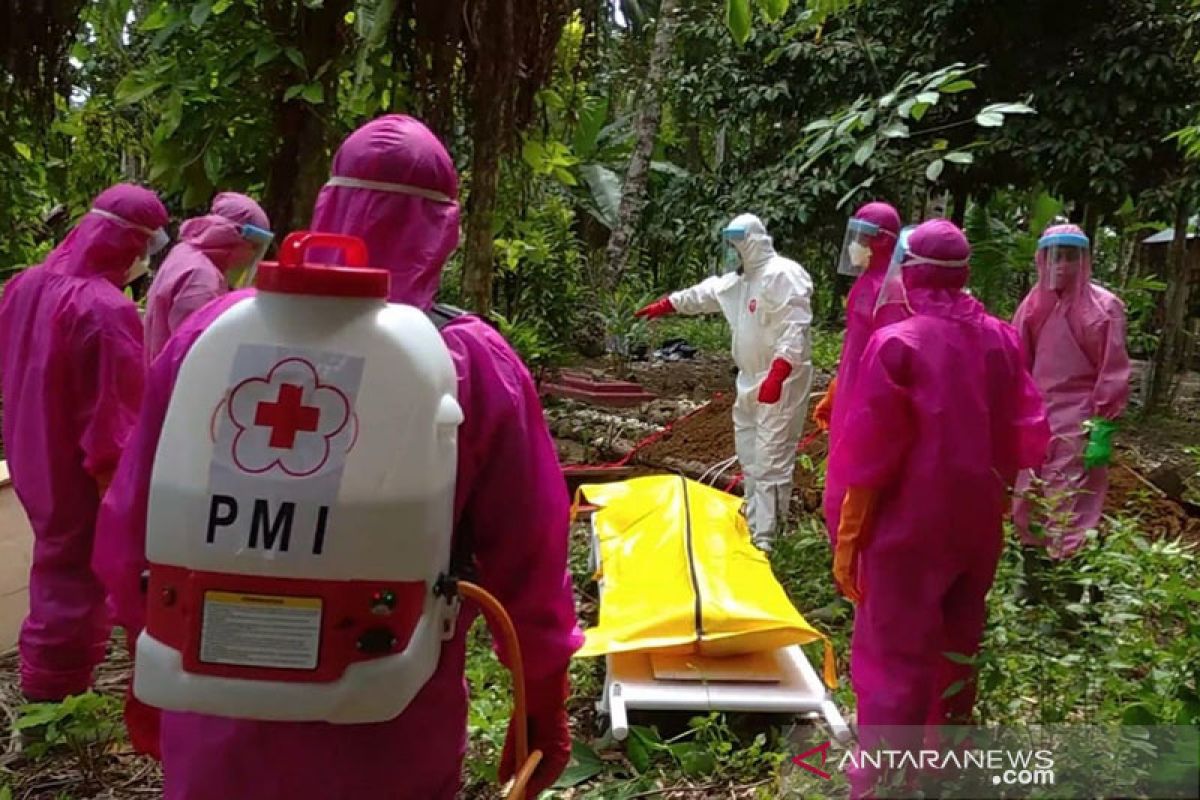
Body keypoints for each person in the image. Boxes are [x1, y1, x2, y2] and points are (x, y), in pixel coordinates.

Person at [93, 115, 581, 799]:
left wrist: (148, 663)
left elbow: (132, 521)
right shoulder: (471, 361)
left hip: (218, 724)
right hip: (389, 728)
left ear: (328, 207)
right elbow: (530, 564)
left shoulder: (213, 336)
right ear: (445, 229)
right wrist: (541, 704)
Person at [829, 220, 1049, 797]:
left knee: (891, 651)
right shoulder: (1002, 337)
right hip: (977, 519)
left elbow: (872, 453)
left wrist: (851, 533)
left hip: (908, 525)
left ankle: (879, 777)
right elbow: (1025, 433)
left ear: (912, 268)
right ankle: (941, 765)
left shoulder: (899, 341)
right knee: (958, 642)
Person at [0, 184, 168, 702]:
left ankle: (49, 690)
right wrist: (118, 494)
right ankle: (58, 695)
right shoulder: (105, 309)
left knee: (53, 561)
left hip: (30, 443)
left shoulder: (24, 285)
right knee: (75, 574)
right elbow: (112, 416)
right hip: (77, 461)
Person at [636, 214, 814, 551]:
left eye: (735, 244)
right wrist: (667, 305)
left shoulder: (783, 275)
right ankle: (754, 522)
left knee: (771, 457)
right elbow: (704, 293)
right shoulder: (739, 283)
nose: (731, 252)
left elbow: (795, 326)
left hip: (781, 380)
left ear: (749, 242)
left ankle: (768, 539)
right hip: (749, 379)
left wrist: (779, 371)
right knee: (749, 452)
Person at [1011, 224, 1131, 560]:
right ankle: (1031, 562)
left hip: (1080, 416)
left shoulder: (1105, 307)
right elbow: (1018, 362)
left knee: (1068, 493)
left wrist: (1103, 427)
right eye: (1055, 256)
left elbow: (1113, 368)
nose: (1061, 265)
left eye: (1070, 257)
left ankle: (1066, 568)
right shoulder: (1033, 305)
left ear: (1085, 260)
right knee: (1028, 490)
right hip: (1036, 413)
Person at [812, 201, 902, 546]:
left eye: (862, 237)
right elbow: (855, 347)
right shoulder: (865, 283)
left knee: (855, 487)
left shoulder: (889, 292)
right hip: (851, 395)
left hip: (867, 401)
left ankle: (856, 578)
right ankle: (842, 569)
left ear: (880, 241)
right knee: (838, 481)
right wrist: (838, 388)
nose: (854, 245)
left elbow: (886, 357)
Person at [143, 192, 272, 365]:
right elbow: (195, 351)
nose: (253, 256)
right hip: (176, 385)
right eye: (253, 247)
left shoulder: (185, 252)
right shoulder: (201, 277)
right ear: (235, 237)